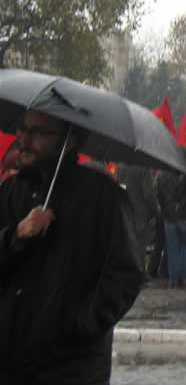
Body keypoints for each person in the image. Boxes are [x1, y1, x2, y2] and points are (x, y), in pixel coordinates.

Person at [0, 110, 143, 383]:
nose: (25, 139)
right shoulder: (9, 192)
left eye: (38, 133)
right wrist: (16, 234)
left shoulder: (104, 196)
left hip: (72, 368)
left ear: (70, 141)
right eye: (22, 129)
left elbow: (126, 275)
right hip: (12, 364)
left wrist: (79, 326)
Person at [156, 149, 186, 288]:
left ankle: (174, 278)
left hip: (169, 217)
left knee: (172, 248)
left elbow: (159, 196)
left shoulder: (162, 174)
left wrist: (165, 209)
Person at [117, 162, 159, 273]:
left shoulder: (121, 167)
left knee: (128, 246)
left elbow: (119, 188)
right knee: (140, 246)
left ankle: (128, 271)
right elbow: (148, 194)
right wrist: (155, 211)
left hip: (126, 212)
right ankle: (139, 273)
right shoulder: (144, 168)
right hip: (140, 214)